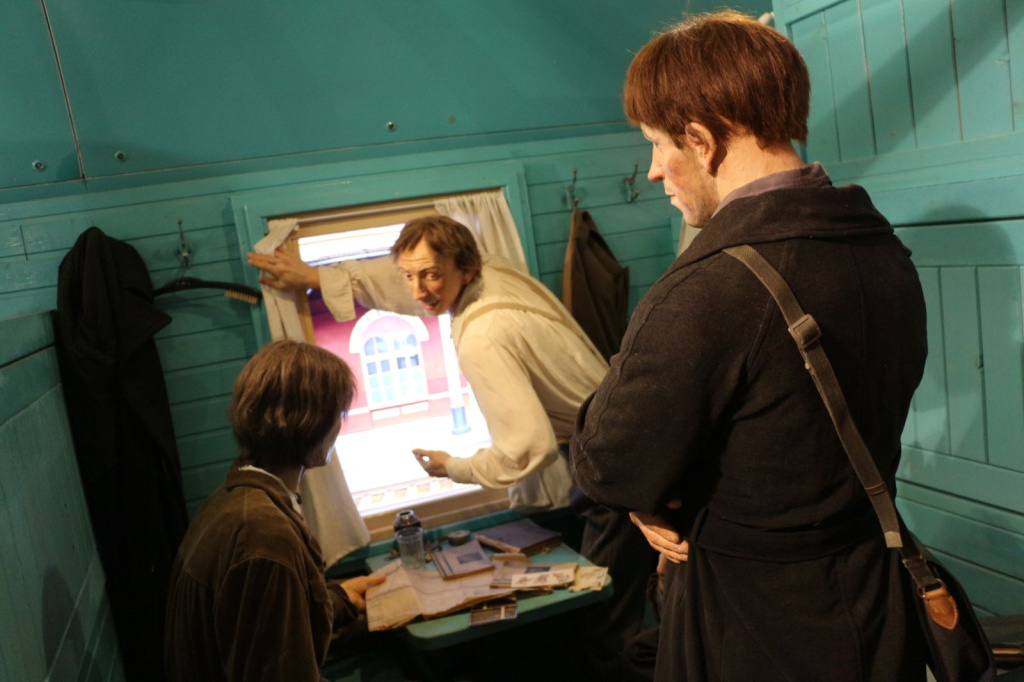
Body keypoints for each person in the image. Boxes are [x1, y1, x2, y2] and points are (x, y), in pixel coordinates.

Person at [570, 10, 929, 682]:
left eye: (657, 145)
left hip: (755, 625)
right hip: (875, 598)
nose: (654, 172)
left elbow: (607, 464)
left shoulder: (706, 290)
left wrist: (653, 492)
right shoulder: (883, 249)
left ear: (701, 141)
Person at [248, 216, 655, 680]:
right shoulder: (492, 274)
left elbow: (528, 446)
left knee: (605, 616)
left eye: (431, 275)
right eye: (409, 275)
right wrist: (318, 278)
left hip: (613, 459)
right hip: (613, 439)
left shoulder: (482, 336)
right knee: (612, 605)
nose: (419, 290)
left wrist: (454, 467)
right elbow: (405, 281)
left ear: (466, 268)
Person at [164, 340, 385, 682]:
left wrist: (340, 598)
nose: (339, 427)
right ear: (313, 424)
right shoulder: (266, 536)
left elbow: (266, 625)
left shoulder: (233, 498)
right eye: (337, 415)